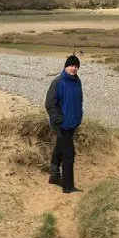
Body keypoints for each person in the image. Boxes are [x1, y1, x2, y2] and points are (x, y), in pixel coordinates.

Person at [45, 55, 83, 194]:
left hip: (72, 123)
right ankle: (68, 186)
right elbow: (49, 104)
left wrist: (79, 117)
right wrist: (58, 120)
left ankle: (54, 177)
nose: (73, 68)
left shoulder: (77, 81)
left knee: (59, 149)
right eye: (71, 66)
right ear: (66, 66)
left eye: (76, 66)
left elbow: (79, 100)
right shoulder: (58, 82)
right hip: (62, 124)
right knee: (69, 153)